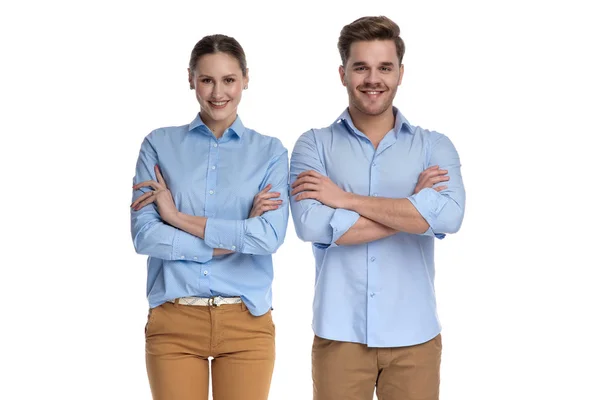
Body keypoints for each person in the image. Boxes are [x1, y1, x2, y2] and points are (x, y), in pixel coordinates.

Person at [289, 16, 466, 400]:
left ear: (401, 73)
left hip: (415, 337)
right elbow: (310, 225)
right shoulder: (313, 145)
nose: (373, 79)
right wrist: (415, 211)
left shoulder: (434, 147)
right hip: (340, 335)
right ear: (342, 73)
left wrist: (345, 200)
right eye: (361, 67)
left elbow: (449, 217)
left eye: (385, 67)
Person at [130, 34, 288, 400]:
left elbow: (267, 238)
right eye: (207, 80)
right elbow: (145, 235)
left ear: (246, 79)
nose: (218, 92)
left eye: (229, 80)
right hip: (174, 321)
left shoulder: (270, 152)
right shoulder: (158, 144)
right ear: (191, 79)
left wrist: (175, 216)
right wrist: (229, 241)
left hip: (246, 323)